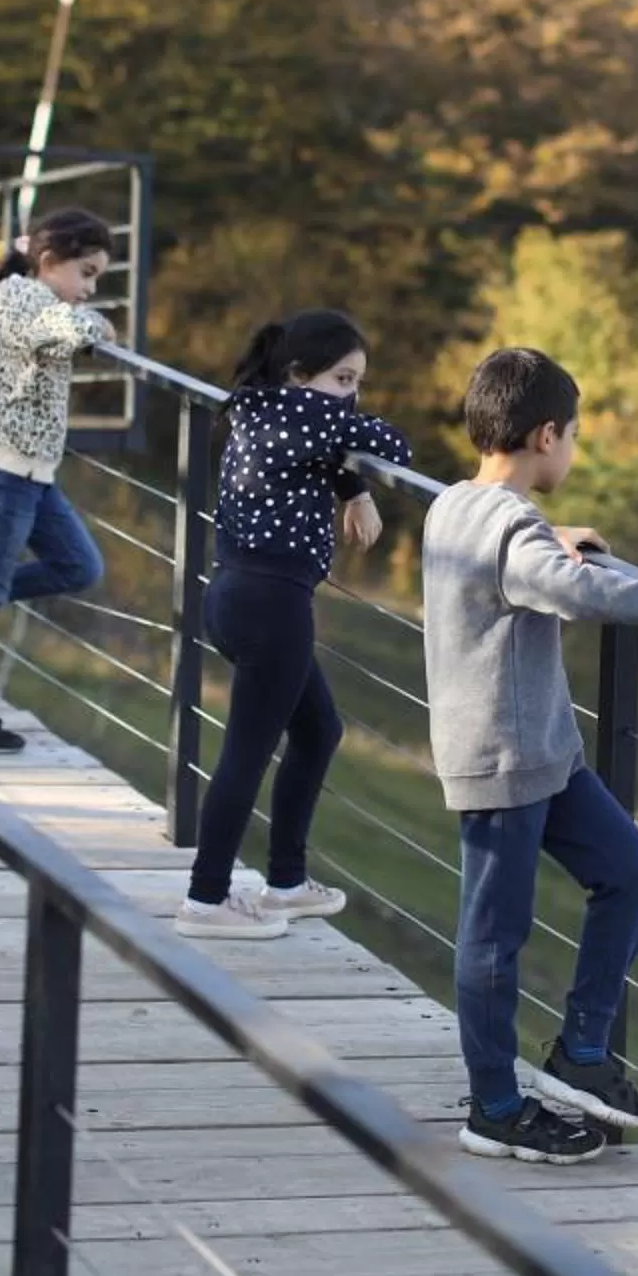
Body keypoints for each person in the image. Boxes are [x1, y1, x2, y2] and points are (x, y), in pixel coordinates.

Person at [422, 346, 638, 1165]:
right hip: (502, 761)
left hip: (547, 752)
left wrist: (550, 532)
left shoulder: (455, 504)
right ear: (547, 436)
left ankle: (580, 1052)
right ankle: (494, 1109)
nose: (572, 450)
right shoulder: (510, 530)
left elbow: (515, 553)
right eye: (573, 436)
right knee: (494, 938)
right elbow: (578, 588)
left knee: (632, 870)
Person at [176, 311, 412, 941]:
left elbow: (316, 452)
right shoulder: (313, 412)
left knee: (317, 729)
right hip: (273, 607)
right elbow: (395, 445)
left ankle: (286, 881)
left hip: (234, 592)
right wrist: (355, 465)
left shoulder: (255, 408)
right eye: (343, 379)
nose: (351, 395)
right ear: (299, 374)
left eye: (357, 382)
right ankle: (205, 900)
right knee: (246, 754)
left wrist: (351, 487)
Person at [0, 208, 118, 753]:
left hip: (34, 474)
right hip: (8, 472)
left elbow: (64, 329)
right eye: (86, 273)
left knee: (79, 566)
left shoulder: (39, 296)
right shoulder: (23, 299)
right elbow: (66, 331)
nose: (90, 288)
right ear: (49, 261)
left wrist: (87, 318)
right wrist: (99, 325)